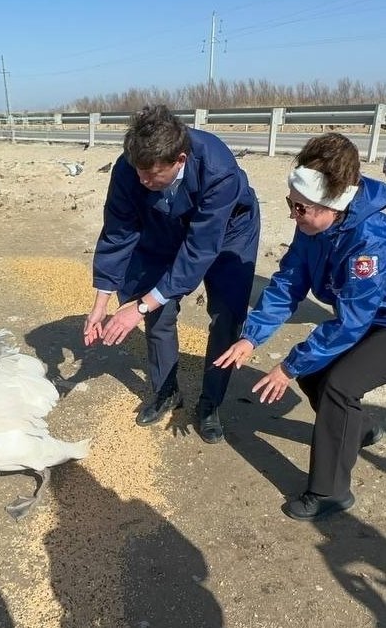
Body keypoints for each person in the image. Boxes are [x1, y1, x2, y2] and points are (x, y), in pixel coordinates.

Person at [215, 132, 386, 521]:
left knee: (339, 385)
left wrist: (288, 365)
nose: (294, 215)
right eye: (291, 205)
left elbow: (350, 323)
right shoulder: (312, 221)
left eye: (301, 209)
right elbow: (289, 282)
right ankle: (357, 432)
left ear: (333, 206)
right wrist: (251, 337)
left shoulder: (371, 240)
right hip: (365, 317)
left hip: (376, 321)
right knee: (315, 377)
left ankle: (330, 493)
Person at [84, 105, 260, 443]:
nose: (143, 181)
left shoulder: (217, 167)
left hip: (228, 231)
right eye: (139, 173)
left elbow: (198, 249)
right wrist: (101, 302)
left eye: (152, 175)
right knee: (157, 312)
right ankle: (166, 392)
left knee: (226, 314)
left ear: (179, 159)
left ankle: (210, 403)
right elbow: (118, 232)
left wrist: (135, 308)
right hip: (162, 224)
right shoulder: (130, 168)